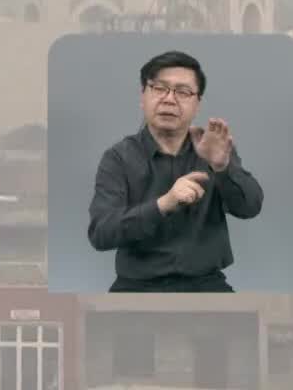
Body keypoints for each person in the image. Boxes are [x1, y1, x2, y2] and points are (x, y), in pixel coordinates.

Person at [86, 50, 265, 292]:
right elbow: (101, 233)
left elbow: (250, 207)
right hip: (136, 287)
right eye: (159, 88)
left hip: (206, 285)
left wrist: (222, 168)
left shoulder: (213, 146)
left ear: (197, 103)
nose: (169, 99)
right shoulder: (118, 157)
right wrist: (163, 204)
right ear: (143, 96)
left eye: (183, 92)